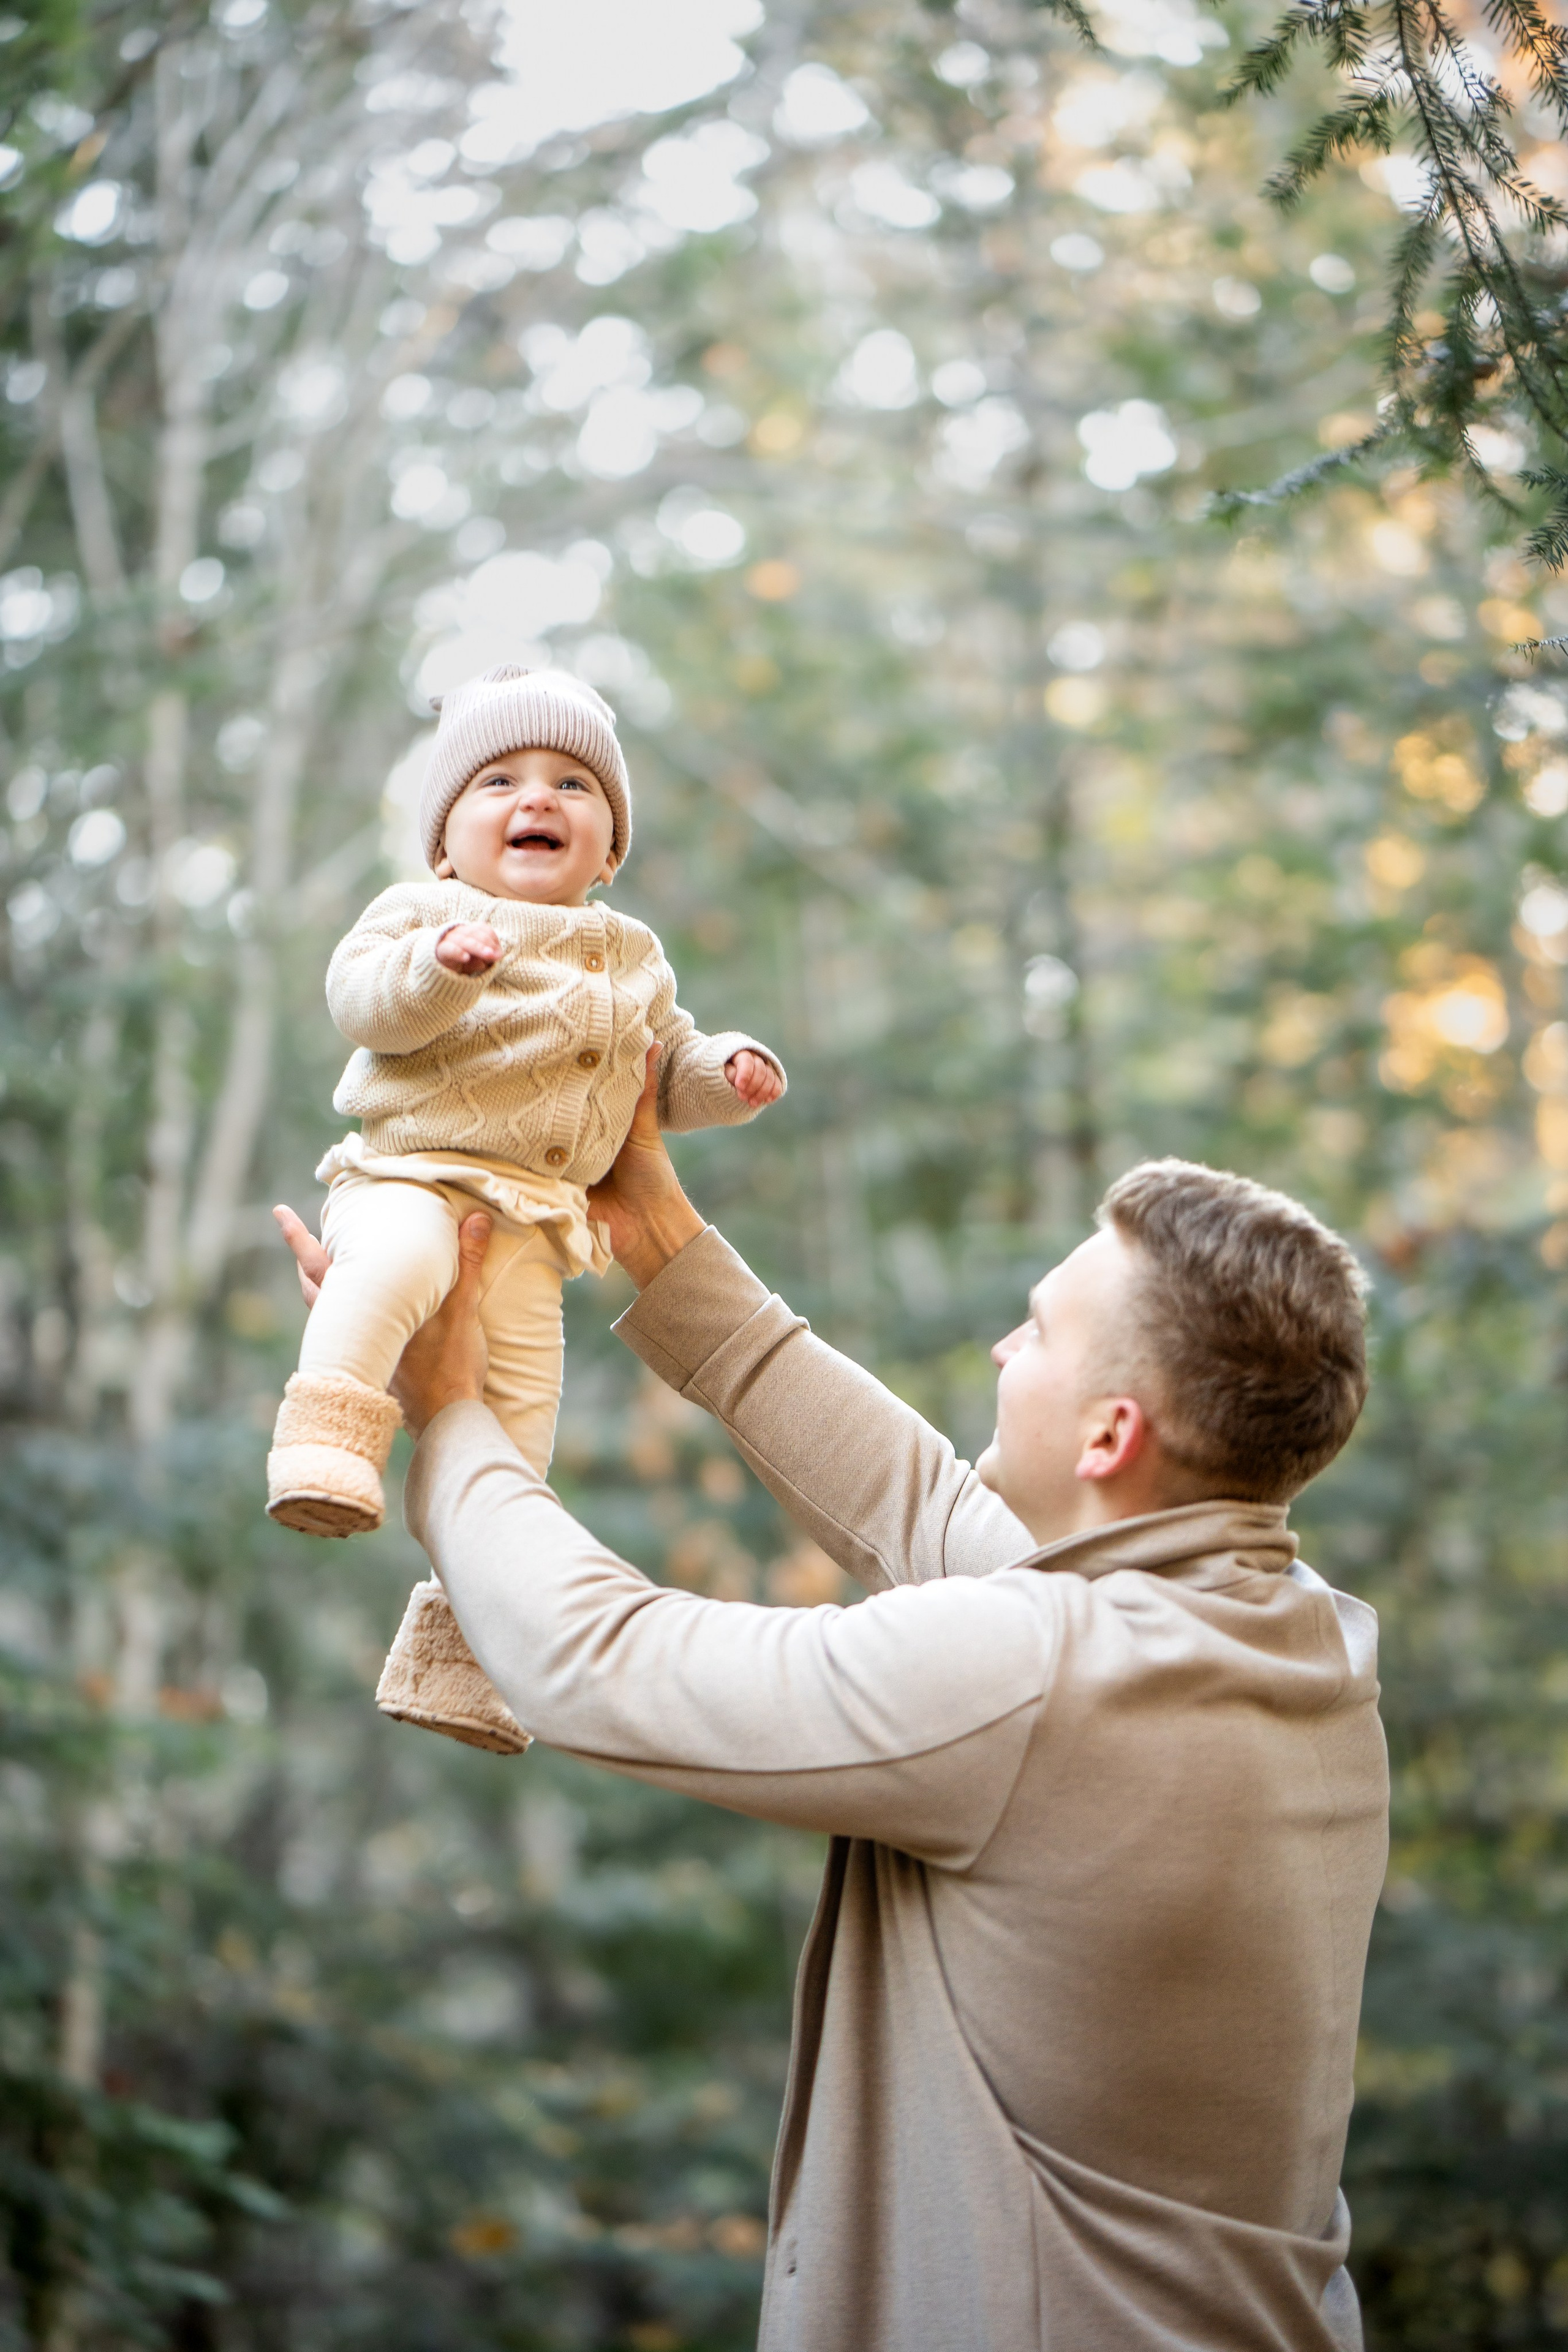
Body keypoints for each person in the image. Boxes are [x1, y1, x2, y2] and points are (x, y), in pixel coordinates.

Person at [278, 1059, 1389, 2352]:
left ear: (1107, 1438)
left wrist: (450, 1413)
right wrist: (666, 1245)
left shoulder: (1040, 1675)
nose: (1000, 1347)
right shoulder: (1293, 1637)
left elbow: (603, 1659)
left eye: (1035, 1331)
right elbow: (919, 1507)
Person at [265, 665, 783, 1752]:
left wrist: (724, 1072)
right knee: (395, 1267)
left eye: (572, 786)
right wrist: (439, 970)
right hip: (410, 1176)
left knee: (516, 1430)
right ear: (446, 842)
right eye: (498, 779)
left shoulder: (630, 954)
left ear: (611, 851)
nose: (538, 798)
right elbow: (363, 1001)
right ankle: (327, 1438)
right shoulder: (423, 912)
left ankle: (468, 1654)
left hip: (539, 1227)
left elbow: (664, 1063)